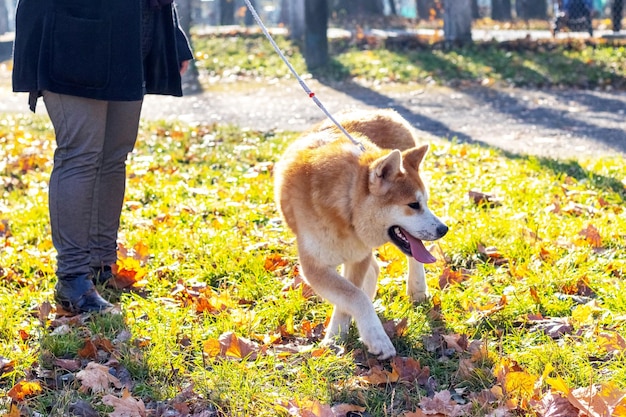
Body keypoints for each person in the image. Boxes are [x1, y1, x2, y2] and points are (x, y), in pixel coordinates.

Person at [12, 0, 193, 314]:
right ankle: (72, 279)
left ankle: (99, 267)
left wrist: (172, 35)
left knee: (113, 156)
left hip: (132, 32)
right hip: (74, 30)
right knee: (80, 154)